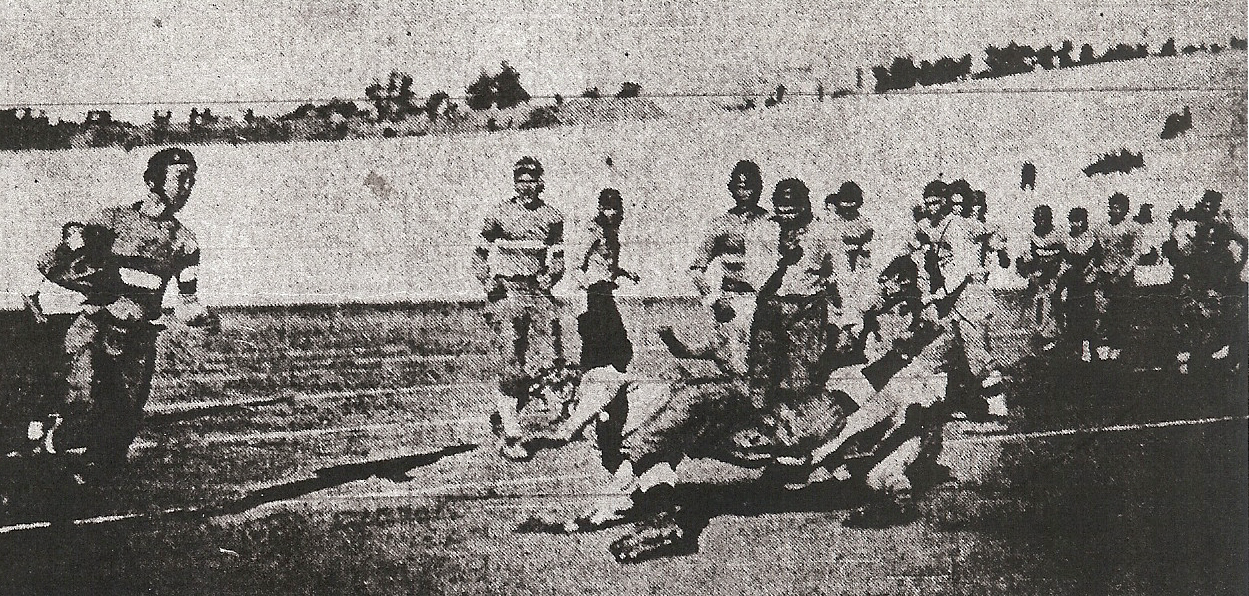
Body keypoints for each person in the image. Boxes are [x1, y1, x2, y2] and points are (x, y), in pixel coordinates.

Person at [37, 147, 215, 477]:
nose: (188, 187)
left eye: (192, 180)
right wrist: (105, 293)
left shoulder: (185, 243)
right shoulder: (111, 222)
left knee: (122, 425)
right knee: (81, 405)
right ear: (152, 181)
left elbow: (188, 301)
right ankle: (50, 440)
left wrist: (202, 316)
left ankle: (85, 488)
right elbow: (52, 264)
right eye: (181, 178)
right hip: (95, 328)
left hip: (138, 340)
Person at [472, 157, 567, 455]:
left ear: (541, 182)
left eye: (531, 179)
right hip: (508, 292)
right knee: (512, 363)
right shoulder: (499, 214)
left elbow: (559, 258)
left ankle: (505, 415)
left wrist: (549, 278)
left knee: (547, 361)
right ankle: (512, 434)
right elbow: (478, 255)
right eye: (520, 179)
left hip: (536, 292)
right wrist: (489, 283)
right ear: (514, 182)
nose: (526, 185)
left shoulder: (553, 217)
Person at [912, 179, 1006, 418]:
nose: (931, 207)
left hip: (968, 298)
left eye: (935, 203)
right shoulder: (935, 226)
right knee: (949, 353)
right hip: (952, 301)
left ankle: (997, 402)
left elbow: (961, 268)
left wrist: (937, 295)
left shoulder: (956, 227)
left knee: (977, 354)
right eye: (927, 203)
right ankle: (951, 403)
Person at [688, 160, 779, 373]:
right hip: (732, 301)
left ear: (760, 188)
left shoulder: (772, 222)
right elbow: (696, 269)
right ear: (731, 188)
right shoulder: (720, 224)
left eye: (751, 186)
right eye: (741, 186)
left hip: (765, 302)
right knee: (734, 365)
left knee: (765, 365)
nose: (746, 193)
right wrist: (714, 299)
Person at [575, 188, 639, 374]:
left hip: (605, 289)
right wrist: (587, 284)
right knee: (606, 336)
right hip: (596, 291)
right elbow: (579, 263)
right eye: (608, 208)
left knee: (609, 337)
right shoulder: (592, 231)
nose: (612, 213)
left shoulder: (611, 233)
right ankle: (594, 375)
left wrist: (625, 273)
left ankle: (606, 375)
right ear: (600, 208)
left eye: (616, 208)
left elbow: (608, 265)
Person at [1092, 192, 1142, 361]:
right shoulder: (1101, 228)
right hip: (1105, 275)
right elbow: (1097, 252)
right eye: (1112, 207)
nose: (1115, 211)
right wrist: (1100, 270)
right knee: (1104, 310)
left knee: (1121, 311)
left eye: (1119, 208)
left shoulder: (1133, 228)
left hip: (1123, 277)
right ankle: (1104, 344)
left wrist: (1121, 273)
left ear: (1126, 210)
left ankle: (1118, 346)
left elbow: (1135, 254)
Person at [821, 181, 876, 320]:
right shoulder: (833, 221)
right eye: (844, 203)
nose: (848, 208)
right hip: (835, 263)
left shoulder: (864, 223)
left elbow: (866, 251)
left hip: (855, 265)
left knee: (854, 296)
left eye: (852, 204)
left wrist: (864, 269)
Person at [1017, 205, 1066, 351]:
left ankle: (1059, 338)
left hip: (1057, 278)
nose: (1041, 222)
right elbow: (1026, 259)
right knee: (1040, 306)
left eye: (1044, 218)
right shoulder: (1032, 237)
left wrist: (1058, 276)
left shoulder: (1059, 235)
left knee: (1058, 306)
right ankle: (1043, 338)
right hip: (1039, 279)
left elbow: (1065, 258)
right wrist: (1031, 273)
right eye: (1038, 219)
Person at [1060, 207, 1102, 362]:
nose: (1074, 224)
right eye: (1072, 221)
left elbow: (1096, 260)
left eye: (1078, 221)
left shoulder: (1091, 239)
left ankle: (1088, 347)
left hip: (1087, 283)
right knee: (1072, 315)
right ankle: (1074, 348)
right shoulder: (1068, 239)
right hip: (1072, 283)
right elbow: (1065, 260)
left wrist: (1088, 273)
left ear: (1084, 221)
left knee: (1087, 316)